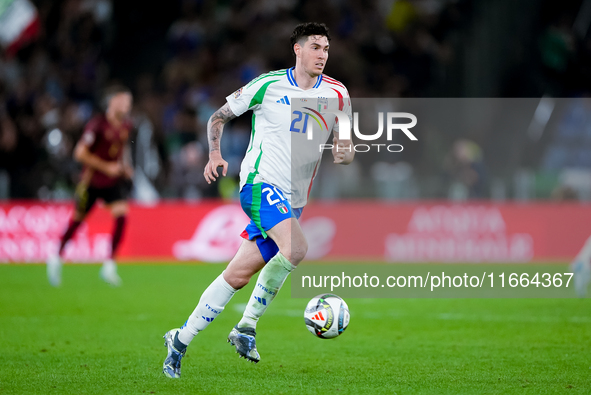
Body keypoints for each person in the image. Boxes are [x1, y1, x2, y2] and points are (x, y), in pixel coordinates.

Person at [162, 22, 354, 378]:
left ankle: (180, 338)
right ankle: (246, 327)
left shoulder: (338, 94)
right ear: (297, 49)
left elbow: (345, 144)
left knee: (237, 275)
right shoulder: (268, 85)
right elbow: (219, 116)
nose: (322, 55)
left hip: (293, 200)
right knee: (296, 248)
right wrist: (215, 154)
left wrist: (345, 150)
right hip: (259, 183)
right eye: (315, 47)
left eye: (326, 49)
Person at [46, 85, 134, 287]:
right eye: (124, 101)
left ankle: (109, 266)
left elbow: (121, 149)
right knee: (77, 221)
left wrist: (125, 167)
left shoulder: (126, 125)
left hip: (113, 182)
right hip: (92, 182)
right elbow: (80, 153)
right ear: (113, 102)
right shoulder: (98, 125)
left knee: (122, 216)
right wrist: (106, 167)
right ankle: (56, 257)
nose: (128, 105)